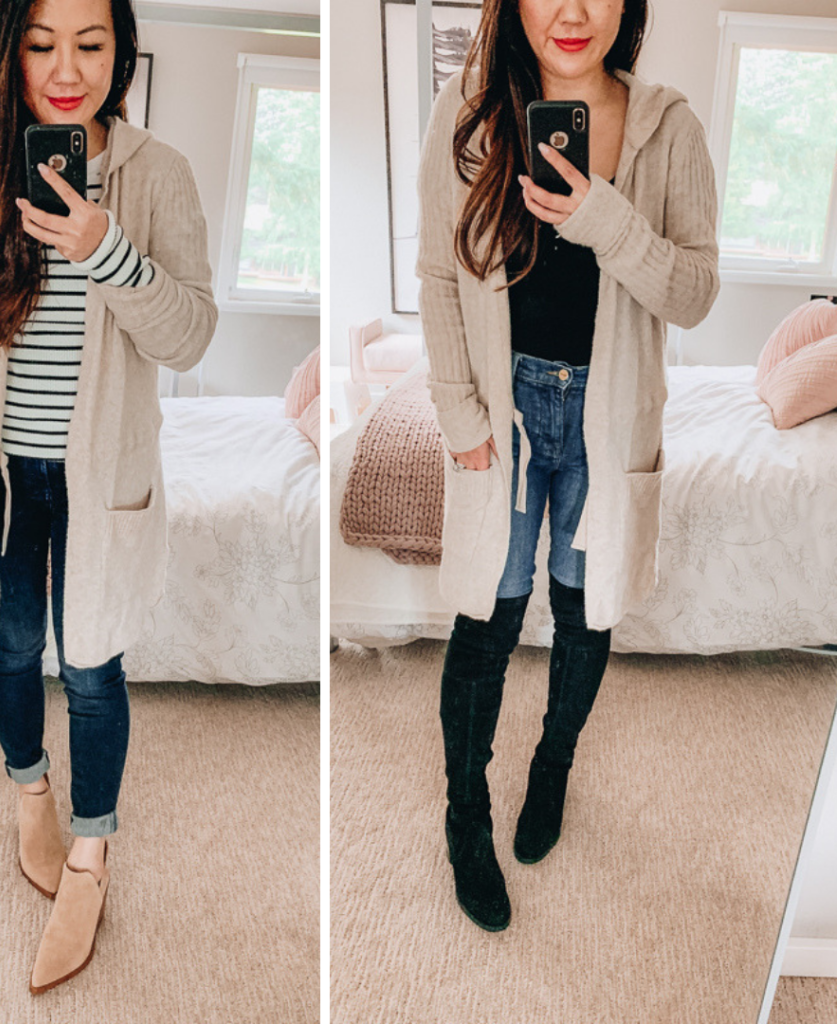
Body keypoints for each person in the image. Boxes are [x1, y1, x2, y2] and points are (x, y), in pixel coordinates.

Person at [0, 0, 217, 992]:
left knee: (90, 664)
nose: (67, 70)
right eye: (41, 45)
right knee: (7, 645)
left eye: (91, 43)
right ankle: (29, 791)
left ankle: (90, 850)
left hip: (100, 480)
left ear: (123, 49)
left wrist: (104, 248)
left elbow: (190, 336)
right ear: (7, 50)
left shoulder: (158, 174)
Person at [416, 0, 719, 932]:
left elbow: (695, 292)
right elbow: (437, 273)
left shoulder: (668, 126)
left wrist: (603, 219)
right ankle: (466, 812)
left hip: (608, 417)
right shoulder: (466, 112)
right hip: (502, 409)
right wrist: (458, 411)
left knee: (585, 611)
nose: (575, 12)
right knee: (488, 617)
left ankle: (552, 770)